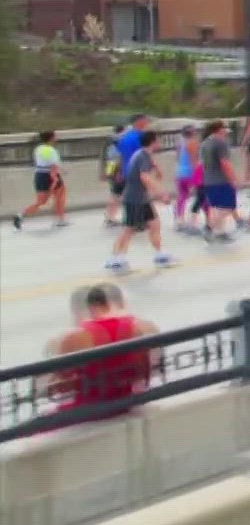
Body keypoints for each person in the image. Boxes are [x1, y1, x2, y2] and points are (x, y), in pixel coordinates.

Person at [47, 285, 157, 421]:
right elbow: (143, 374)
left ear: (86, 308)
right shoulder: (136, 328)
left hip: (90, 410)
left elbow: (59, 388)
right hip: (126, 403)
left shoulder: (76, 337)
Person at [107, 129, 173, 272]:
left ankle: (160, 254)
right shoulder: (142, 156)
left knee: (155, 224)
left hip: (142, 198)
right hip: (135, 198)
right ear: (153, 142)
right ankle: (117, 259)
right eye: (158, 140)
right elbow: (145, 177)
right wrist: (162, 193)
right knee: (129, 229)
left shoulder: (143, 155)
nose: (159, 142)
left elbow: (147, 173)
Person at [14, 130, 68, 229]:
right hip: (51, 176)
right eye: (55, 136)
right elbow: (53, 166)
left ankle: (20, 215)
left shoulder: (38, 149)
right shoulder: (52, 150)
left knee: (40, 202)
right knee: (60, 197)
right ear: (51, 138)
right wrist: (56, 178)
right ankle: (60, 220)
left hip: (39, 175)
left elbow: (41, 163)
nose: (56, 138)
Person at [198, 119, 239, 242]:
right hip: (221, 180)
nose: (226, 133)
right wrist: (233, 179)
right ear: (219, 130)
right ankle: (209, 227)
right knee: (228, 206)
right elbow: (225, 163)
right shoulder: (220, 143)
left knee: (215, 207)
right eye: (224, 130)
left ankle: (220, 232)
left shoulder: (204, 143)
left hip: (208, 180)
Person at [173, 125, 202, 234]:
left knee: (181, 196)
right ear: (192, 133)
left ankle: (179, 220)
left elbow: (177, 158)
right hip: (190, 173)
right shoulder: (193, 143)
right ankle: (193, 221)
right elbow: (194, 160)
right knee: (201, 196)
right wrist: (198, 175)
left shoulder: (180, 143)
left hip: (180, 172)